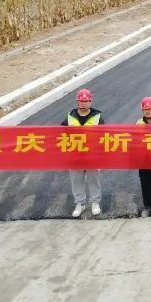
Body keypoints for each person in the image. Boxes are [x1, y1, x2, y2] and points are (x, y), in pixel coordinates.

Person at [62, 88, 104, 218]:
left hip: (92, 154)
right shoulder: (70, 116)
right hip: (75, 154)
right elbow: (61, 133)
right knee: (76, 180)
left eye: (86, 101)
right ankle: (80, 203)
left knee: (94, 179)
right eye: (81, 101)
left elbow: (104, 134)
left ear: (90, 101)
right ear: (77, 102)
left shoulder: (97, 116)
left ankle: (95, 202)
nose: (84, 103)